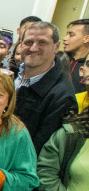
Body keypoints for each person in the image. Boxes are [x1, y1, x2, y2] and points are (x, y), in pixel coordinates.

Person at [15, 21, 78, 154]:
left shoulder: (62, 98)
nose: (33, 48)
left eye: (42, 42)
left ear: (56, 47)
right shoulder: (11, 75)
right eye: (28, 42)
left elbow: (39, 150)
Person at [63, 19, 89, 94]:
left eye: (71, 35)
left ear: (86, 39)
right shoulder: (60, 60)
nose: (64, 38)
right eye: (66, 34)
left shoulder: (87, 67)